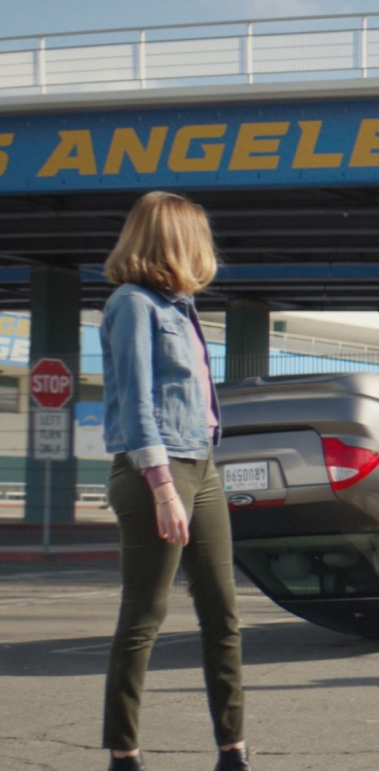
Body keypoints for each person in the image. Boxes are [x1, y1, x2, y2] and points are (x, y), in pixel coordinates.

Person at [100, 191, 250, 771]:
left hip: (202, 466)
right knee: (144, 615)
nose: (205, 247)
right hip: (153, 474)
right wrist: (163, 488)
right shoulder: (134, 304)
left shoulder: (181, 307)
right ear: (174, 239)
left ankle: (234, 751)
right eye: (198, 236)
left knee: (224, 615)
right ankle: (124, 754)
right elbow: (137, 404)